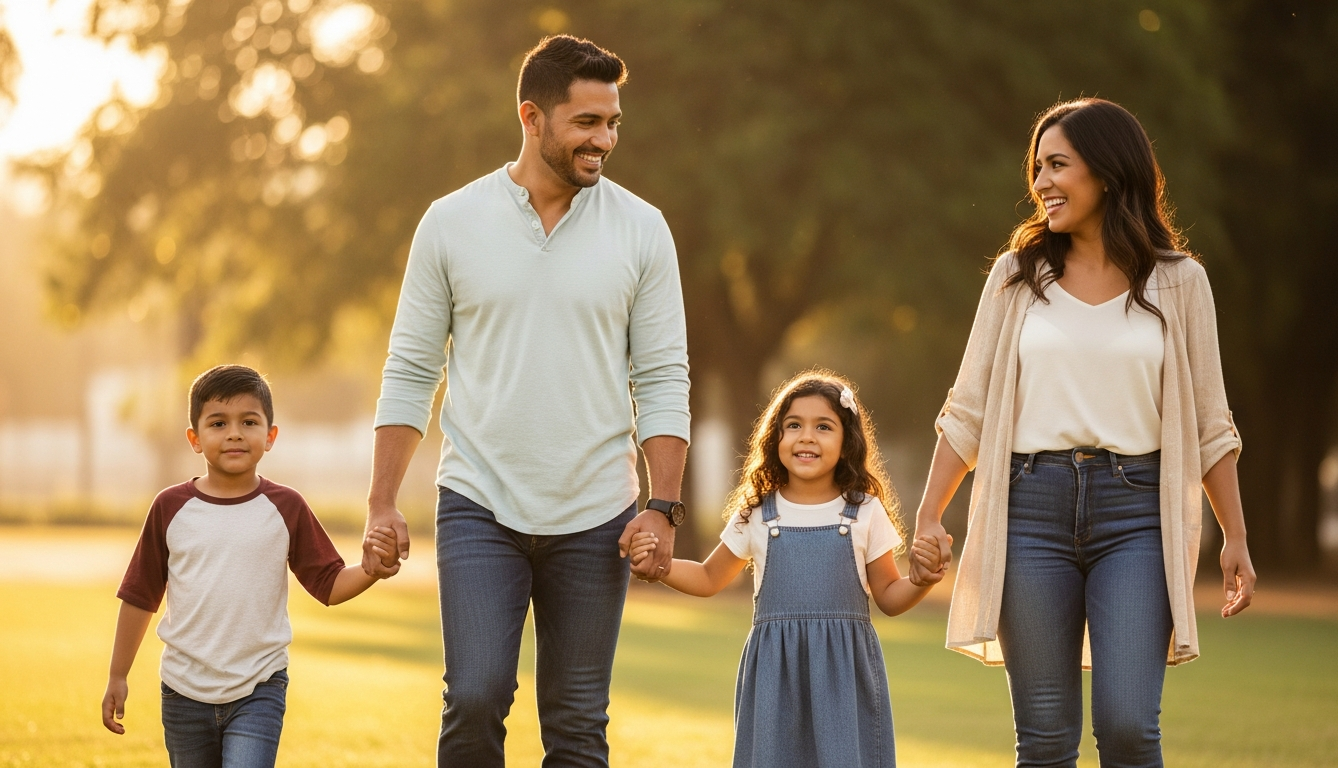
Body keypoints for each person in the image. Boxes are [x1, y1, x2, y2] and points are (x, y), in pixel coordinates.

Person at [363, 35, 691, 765]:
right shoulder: (450, 223)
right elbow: (411, 370)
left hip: (597, 512)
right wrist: (382, 501)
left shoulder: (642, 229)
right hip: (480, 500)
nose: (603, 140)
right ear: (532, 117)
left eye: (612, 123)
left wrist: (663, 507)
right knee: (475, 694)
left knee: (577, 723)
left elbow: (664, 376)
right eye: (586, 123)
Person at [906, 98, 1257, 767]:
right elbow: (969, 407)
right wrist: (928, 513)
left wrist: (1235, 534)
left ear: (1107, 172)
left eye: (1057, 165)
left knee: (1128, 725)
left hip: (1137, 514)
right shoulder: (1017, 278)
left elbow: (1212, 423)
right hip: (1030, 510)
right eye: (1037, 167)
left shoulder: (1181, 283)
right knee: (1043, 739)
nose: (1040, 183)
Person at [629, 372, 946, 768]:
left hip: (844, 678)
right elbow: (710, 578)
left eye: (823, 426)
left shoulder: (864, 511)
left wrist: (920, 580)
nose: (807, 436)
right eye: (793, 425)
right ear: (775, 438)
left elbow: (889, 596)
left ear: (847, 442)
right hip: (775, 679)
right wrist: (659, 566)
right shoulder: (758, 514)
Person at [100, 364, 399, 767]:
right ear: (195, 438)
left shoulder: (287, 507)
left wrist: (371, 570)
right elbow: (139, 596)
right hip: (183, 692)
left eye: (249, 421)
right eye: (218, 423)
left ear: (270, 436)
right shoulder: (170, 508)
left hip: (260, 688)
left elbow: (328, 585)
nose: (235, 433)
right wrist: (118, 674)